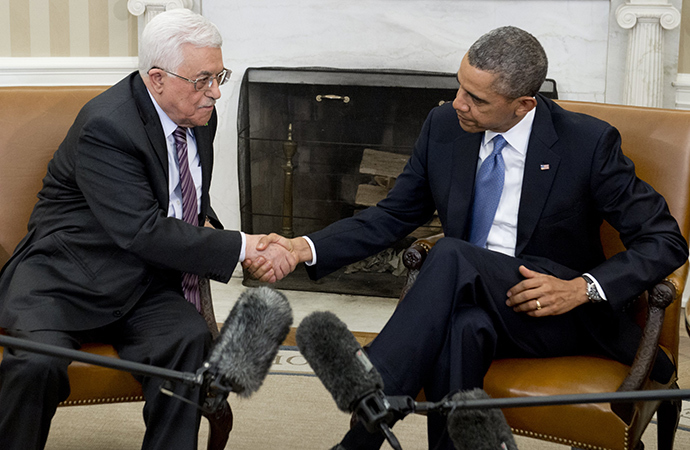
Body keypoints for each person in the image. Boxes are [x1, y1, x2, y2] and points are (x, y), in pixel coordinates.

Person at [245, 26, 689, 449]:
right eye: (459, 87)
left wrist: (582, 289)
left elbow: (665, 241)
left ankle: (371, 384)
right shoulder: (443, 127)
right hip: (472, 301)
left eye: (476, 99)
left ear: (524, 105)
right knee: (462, 326)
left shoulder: (586, 143)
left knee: (453, 255)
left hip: (554, 312)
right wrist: (302, 247)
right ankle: (364, 437)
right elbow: (392, 215)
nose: (458, 103)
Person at [0, 9, 294, 450]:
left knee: (187, 342)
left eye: (219, 76)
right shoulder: (107, 126)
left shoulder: (199, 116)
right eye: (202, 80)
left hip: (143, 284)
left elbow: (185, 200)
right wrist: (242, 247)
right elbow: (143, 229)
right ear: (157, 78)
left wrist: (230, 243)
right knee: (35, 367)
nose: (215, 93)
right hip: (64, 281)